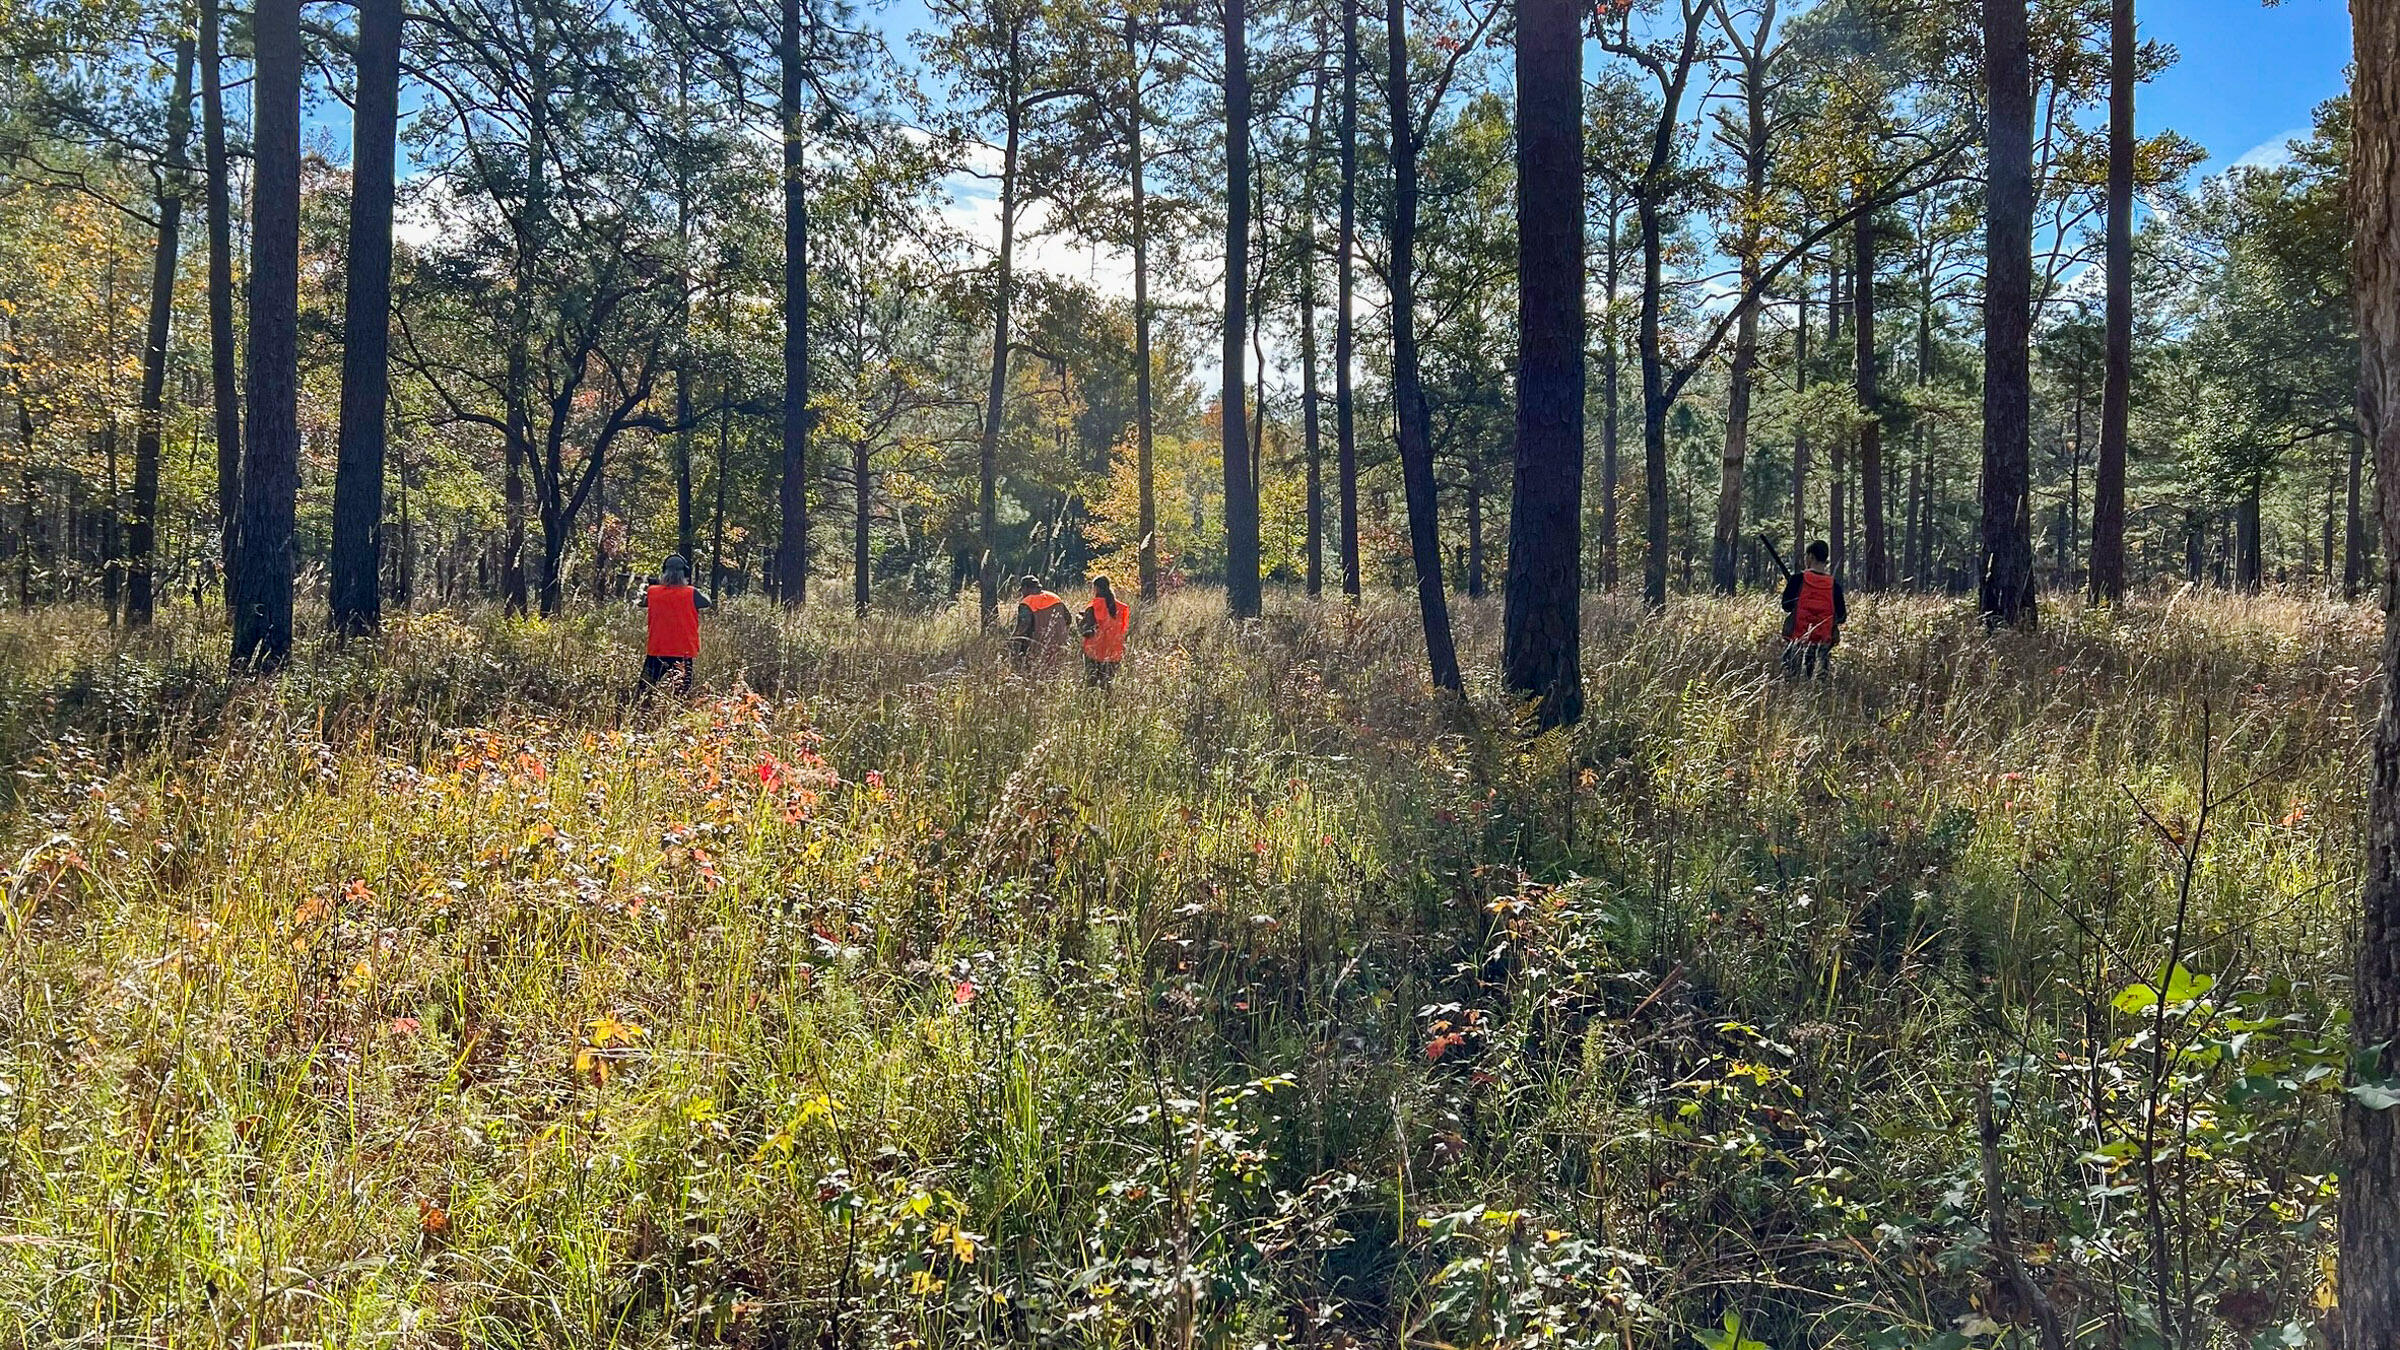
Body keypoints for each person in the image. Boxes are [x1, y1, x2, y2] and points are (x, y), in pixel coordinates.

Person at [637, 554, 714, 693]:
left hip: (658, 649)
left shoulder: (653, 592)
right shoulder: (692, 593)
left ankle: (641, 706)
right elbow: (707, 602)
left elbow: (641, 602)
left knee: (643, 689)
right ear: (685, 573)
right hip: (683, 651)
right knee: (682, 693)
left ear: (664, 571)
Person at [1779, 539, 1846, 679]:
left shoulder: (1797, 580)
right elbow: (1841, 616)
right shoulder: (1834, 585)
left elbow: (1786, 606)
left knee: (1791, 683)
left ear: (1810, 556)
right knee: (1818, 685)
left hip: (1797, 643)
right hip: (1822, 646)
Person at [1010, 574, 1073, 673]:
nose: (1022, 593)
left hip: (1038, 647)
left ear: (1026, 588)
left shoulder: (1027, 602)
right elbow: (1068, 619)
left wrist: (1011, 643)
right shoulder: (1054, 597)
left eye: (1022, 590)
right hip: (1060, 646)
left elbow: (1022, 629)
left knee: (1034, 674)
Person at [1076, 574, 1131, 687]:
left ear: (1096, 588)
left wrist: (1079, 619)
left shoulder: (1094, 606)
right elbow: (1122, 628)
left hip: (1095, 652)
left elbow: (1085, 630)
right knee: (1108, 685)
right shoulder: (1121, 607)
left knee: (1092, 685)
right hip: (1114, 652)